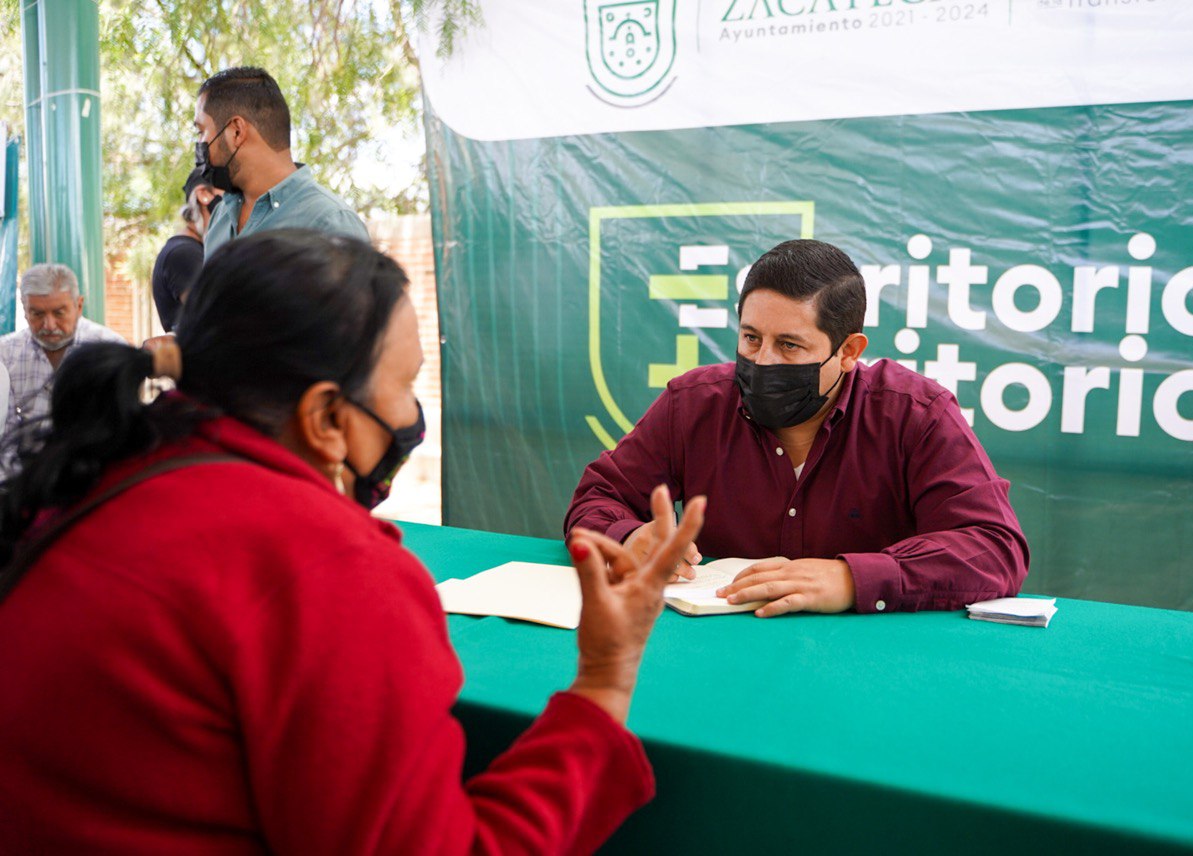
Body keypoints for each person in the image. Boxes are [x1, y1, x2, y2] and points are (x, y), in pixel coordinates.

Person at [0, 229, 704, 854]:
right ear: (326, 418)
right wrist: (605, 683)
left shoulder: (99, 474)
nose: (409, 412)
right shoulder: (324, 565)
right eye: (405, 384)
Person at [566, 239, 1029, 617]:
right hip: (716, 656)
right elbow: (596, 498)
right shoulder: (694, 402)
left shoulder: (916, 413)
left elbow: (993, 548)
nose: (762, 361)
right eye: (751, 337)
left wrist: (853, 578)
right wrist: (630, 537)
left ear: (849, 351)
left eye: (789, 345)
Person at [193, 66, 368, 260]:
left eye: (201, 131)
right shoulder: (221, 216)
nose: (199, 143)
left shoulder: (331, 224)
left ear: (236, 131)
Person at [0, 263, 127, 477]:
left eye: (59, 313)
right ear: (24, 309)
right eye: (37, 314)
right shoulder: (5, 354)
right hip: (26, 483)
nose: (49, 325)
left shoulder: (110, 348)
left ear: (79, 306)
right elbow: (6, 441)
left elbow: (121, 432)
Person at [151, 168, 223, 331]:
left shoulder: (193, 249)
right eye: (230, 193)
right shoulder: (185, 253)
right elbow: (213, 317)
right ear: (203, 194)